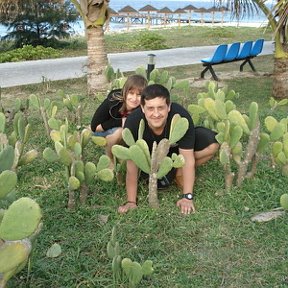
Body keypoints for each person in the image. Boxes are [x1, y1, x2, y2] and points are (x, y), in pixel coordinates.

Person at [118, 84, 219, 215]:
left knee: (213, 143)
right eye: (150, 108)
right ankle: (170, 172)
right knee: (161, 182)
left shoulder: (180, 117)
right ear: (142, 108)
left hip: (175, 152)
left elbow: (187, 158)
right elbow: (132, 166)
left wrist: (187, 197)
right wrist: (131, 202)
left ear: (169, 106)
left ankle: (178, 172)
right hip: (150, 161)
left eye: (161, 107)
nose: (156, 114)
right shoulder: (133, 122)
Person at [90, 74, 148, 162]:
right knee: (120, 131)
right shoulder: (113, 101)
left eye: (139, 95)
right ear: (125, 92)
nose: (134, 98)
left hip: (129, 136)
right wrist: (120, 122)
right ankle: (110, 160)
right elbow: (94, 127)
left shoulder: (144, 107)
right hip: (103, 133)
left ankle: (123, 158)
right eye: (131, 93)